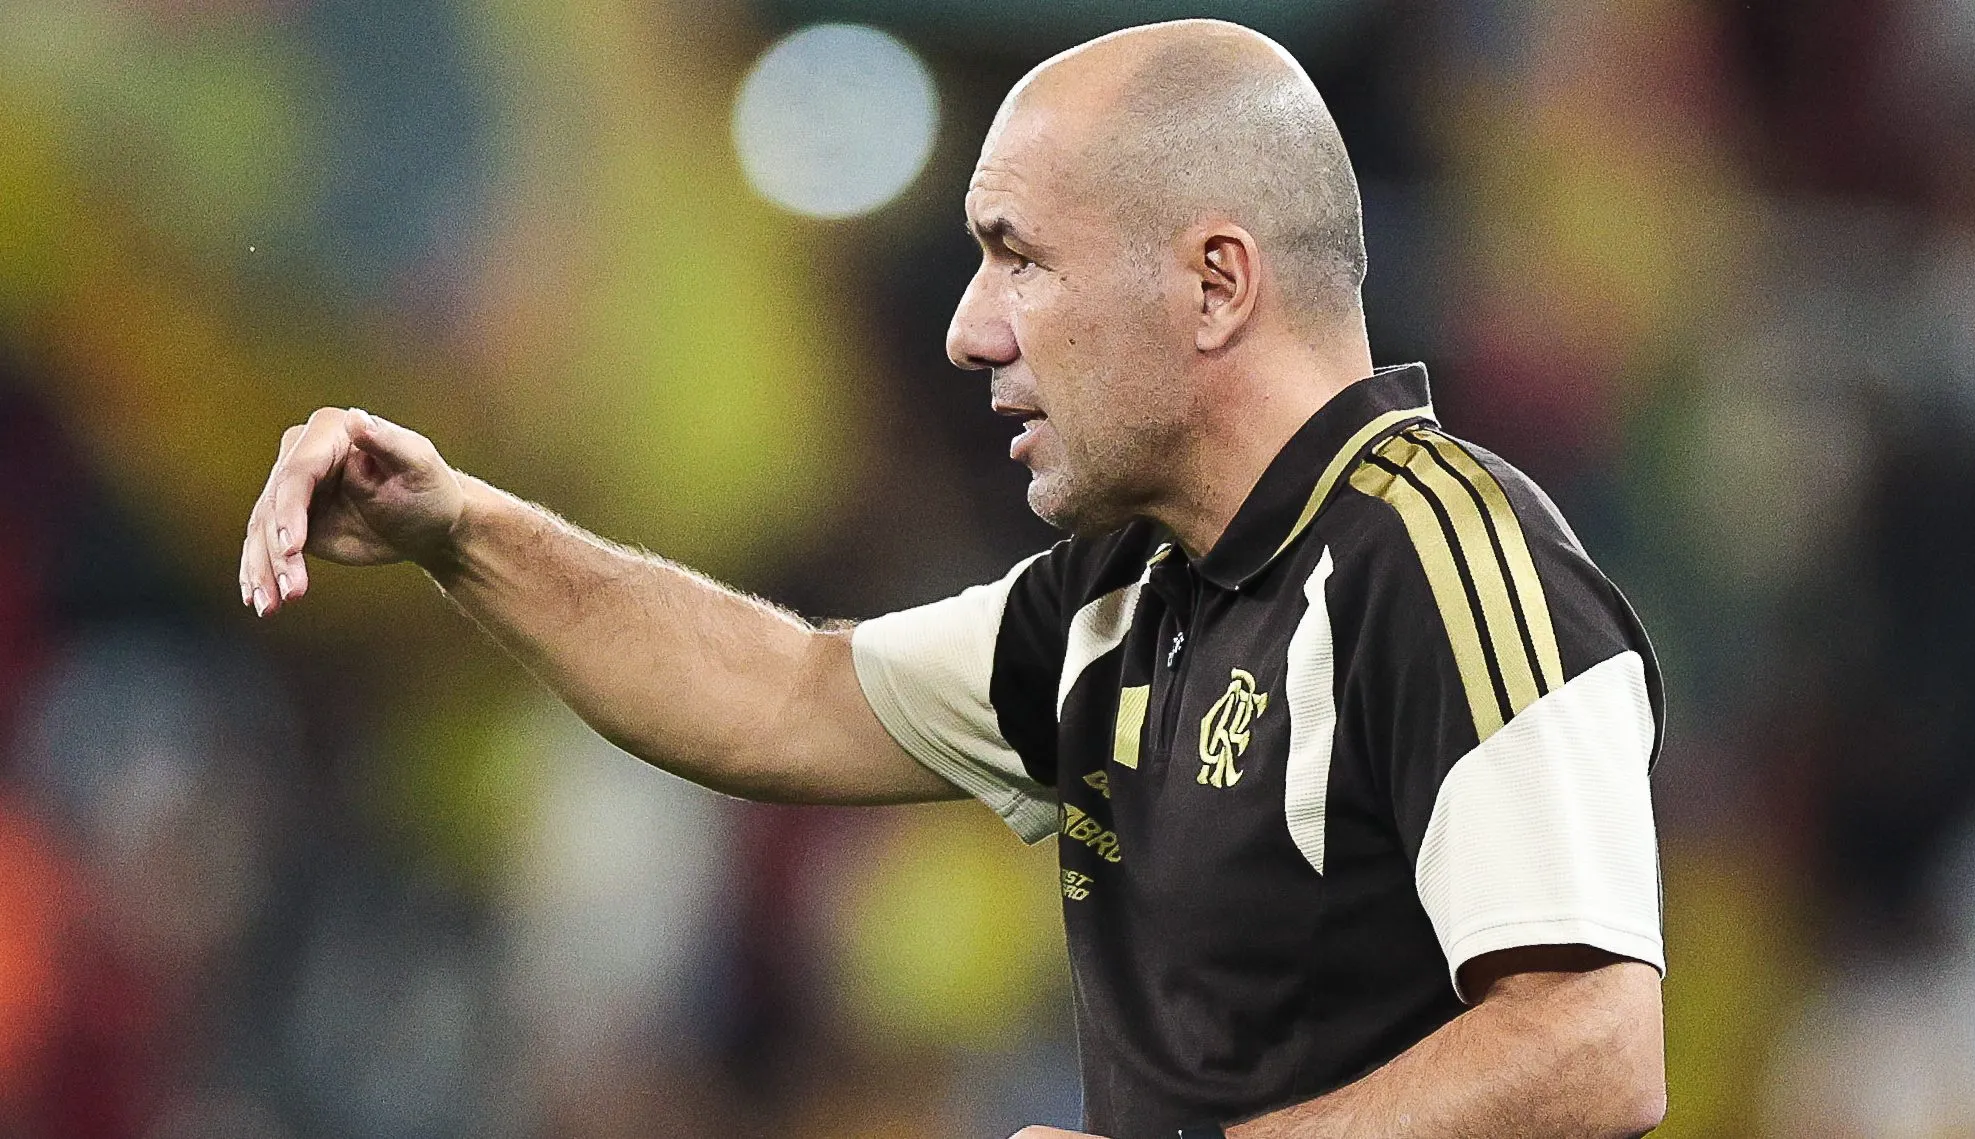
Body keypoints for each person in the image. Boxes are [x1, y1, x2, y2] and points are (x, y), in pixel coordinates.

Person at [237, 18, 1666, 1139]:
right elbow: (778, 695)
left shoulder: (1445, 560)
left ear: (1217, 284)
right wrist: (462, 527)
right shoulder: (1115, 603)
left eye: (1018, 258)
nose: (969, 329)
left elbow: (1594, 1040)